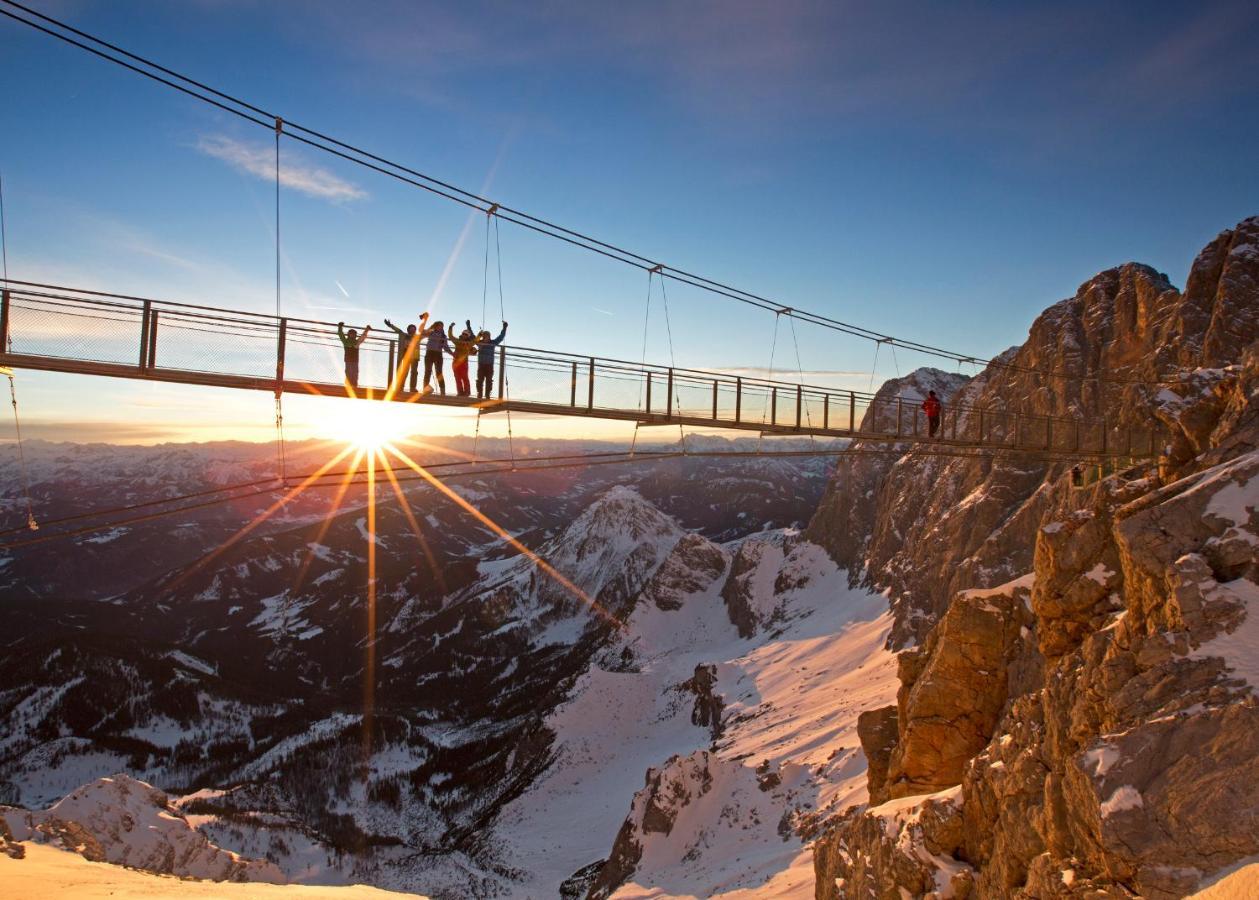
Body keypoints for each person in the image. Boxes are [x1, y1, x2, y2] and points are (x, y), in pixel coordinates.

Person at [383, 313, 426, 393]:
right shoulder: (404, 335)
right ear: (408, 330)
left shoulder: (417, 337)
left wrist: (424, 320)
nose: (413, 330)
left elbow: (424, 332)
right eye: (411, 329)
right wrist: (390, 325)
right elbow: (398, 330)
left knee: (414, 372)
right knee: (404, 372)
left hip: (415, 357)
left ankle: (412, 388)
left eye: (414, 329)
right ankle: (401, 387)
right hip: (406, 355)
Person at [475, 321, 508, 400]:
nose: (486, 337)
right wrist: (478, 335)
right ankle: (479, 393)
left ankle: (487, 395)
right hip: (481, 365)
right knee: (480, 380)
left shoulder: (493, 342)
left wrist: (504, 327)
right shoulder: (479, 342)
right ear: (483, 337)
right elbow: (474, 340)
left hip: (489, 365)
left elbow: (501, 336)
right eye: (484, 336)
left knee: (489, 381)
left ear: (489, 336)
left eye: (487, 336)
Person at [337, 321, 371, 390]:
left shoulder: (356, 342)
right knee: (349, 372)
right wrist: (340, 327)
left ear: (355, 335)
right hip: (349, 360)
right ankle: (349, 385)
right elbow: (341, 335)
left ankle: (354, 385)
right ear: (349, 334)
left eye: (353, 334)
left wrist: (367, 330)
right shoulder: (346, 341)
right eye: (351, 334)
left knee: (355, 372)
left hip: (354, 360)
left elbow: (362, 337)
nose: (352, 335)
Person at [423, 319, 450, 395]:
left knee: (439, 373)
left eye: (442, 326)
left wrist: (452, 354)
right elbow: (422, 332)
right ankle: (425, 389)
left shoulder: (443, 336)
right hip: (430, 353)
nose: (441, 327)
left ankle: (442, 391)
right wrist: (428, 325)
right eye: (439, 326)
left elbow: (446, 347)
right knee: (428, 371)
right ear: (436, 326)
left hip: (438, 354)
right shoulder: (431, 332)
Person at [452, 320, 477, 398]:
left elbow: (474, 339)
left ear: (468, 336)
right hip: (456, 362)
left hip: (464, 362)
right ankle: (460, 392)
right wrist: (450, 328)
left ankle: (467, 392)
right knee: (457, 378)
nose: (464, 335)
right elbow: (451, 336)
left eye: (466, 334)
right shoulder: (458, 341)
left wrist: (469, 325)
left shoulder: (469, 343)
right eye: (463, 333)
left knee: (465, 378)